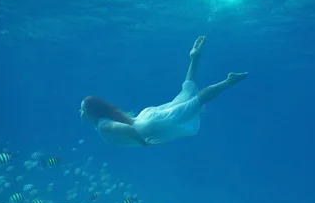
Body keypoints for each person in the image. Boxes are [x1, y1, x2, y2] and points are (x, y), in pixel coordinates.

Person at [79, 36, 248, 147]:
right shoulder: (104, 120)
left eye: (83, 110)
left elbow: (128, 130)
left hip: (152, 124)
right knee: (186, 94)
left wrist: (144, 143)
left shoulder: (104, 125)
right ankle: (194, 57)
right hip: (147, 118)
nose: (80, 112)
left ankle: (229, 81)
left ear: (92, 113)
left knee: (196, 101)